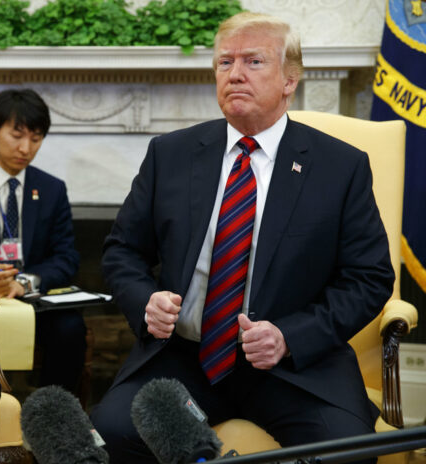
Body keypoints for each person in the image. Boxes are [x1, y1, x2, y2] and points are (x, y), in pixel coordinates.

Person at [90, 12, 394, 464]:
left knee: (346, 449)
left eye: (253, 61)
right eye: (224, 62)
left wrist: (290, 336)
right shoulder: (169, 154)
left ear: (290, 80)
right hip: (185, 358)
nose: (234, 74)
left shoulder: (339, 167)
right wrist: (145, 301)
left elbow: (368, 278)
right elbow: (122, 252)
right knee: (115, 428)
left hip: (292, 368)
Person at [0, 88, 86, 392]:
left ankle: (50, 415)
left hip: (32, 297)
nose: (25, 148)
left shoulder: (52, 189)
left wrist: (25, 282)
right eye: (16, 135)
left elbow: (66, 257)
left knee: (70, 327)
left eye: (36, 138)